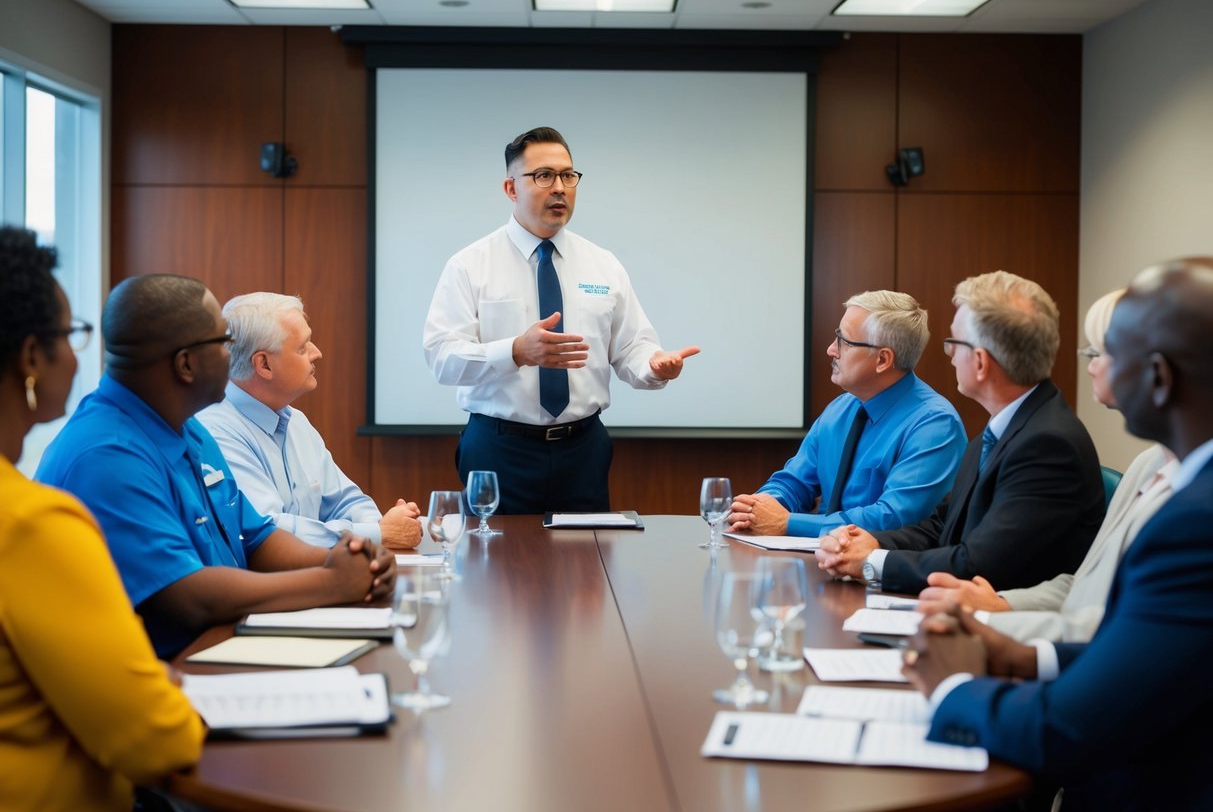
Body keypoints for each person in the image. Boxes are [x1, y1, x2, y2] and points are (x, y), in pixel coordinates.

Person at [902, 256, 1213, 810]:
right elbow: (1146, 647)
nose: (1095, 366)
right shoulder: (1185, 489)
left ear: (1159, 378)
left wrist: (952, 688)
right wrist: (1022, 655)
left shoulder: (1198, 521)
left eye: (1110, 353)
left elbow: (1071, 728)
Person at [37, 274, 396, 659]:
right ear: (186, 364)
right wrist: (330, 582)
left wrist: (350, 559)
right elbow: (189, 596)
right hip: (168, 669)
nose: (233, 354)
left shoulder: (188, 427)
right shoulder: (106, 454)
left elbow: (256, 539)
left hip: (219, 644)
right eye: (224, 343)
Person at [0, 227, 203, 810]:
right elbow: (158, 740)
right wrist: (154, 682)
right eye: (71, 335)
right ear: (31, 357)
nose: (80, 352)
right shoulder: (35, 526)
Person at [423, 126, 699, 514]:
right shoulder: (470, 265)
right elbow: (442, 357)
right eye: (543, 176)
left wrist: (654, 366)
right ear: (511, 189)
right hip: (499, 450)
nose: (560, 188)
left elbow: (632, 347)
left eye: (568, 176)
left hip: (582, 450)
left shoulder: (603, 264)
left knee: (584, 568)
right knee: (495, 570)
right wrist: (516, 351)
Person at [817, 270, 1104, 594]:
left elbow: (979, 564)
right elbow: (943, 525)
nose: (949, 353)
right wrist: (869, 541)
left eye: (954, 342)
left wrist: (873, 562)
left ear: (980, 362)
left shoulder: (1048, 446)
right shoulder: (1000, 431)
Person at [918, 288, 1177, 641]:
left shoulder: (1050, 442)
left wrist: (988, 621)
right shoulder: (1147, 463)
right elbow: (1085, 584)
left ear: (1162, 370)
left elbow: (1120, 626)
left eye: (1102, 352)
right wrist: (1001, 605)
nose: (1092, 366)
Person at [728, 290, 966, 537]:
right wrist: (758, 508)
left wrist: (788, 522)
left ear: (883, 359)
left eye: (844, 341)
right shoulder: (839, 409)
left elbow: (894, 517)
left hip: (878, 571)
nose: (831, 350)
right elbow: (794, 482)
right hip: (820, 561)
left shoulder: (935, 425)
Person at [197, 292, 422, 549]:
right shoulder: (214, 431)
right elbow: (268, 531)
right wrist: (377, 534)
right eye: (303, 347)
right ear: (264, 364)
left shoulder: (295, 420)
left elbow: (347, 501)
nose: (317, 353)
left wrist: (381, 529)